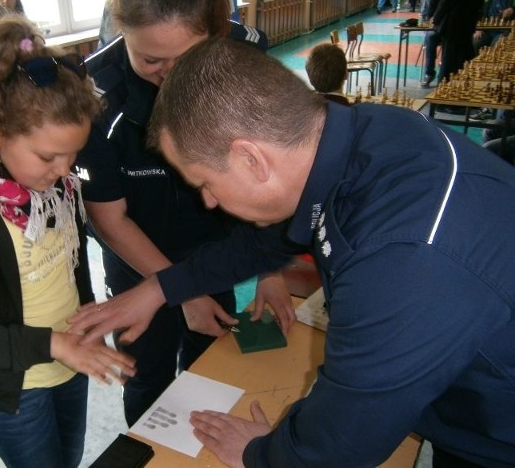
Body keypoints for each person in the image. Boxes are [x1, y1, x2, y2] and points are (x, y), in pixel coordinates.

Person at [71, 37, 515, 467]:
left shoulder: (405, 258)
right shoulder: (364, 133)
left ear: (251, 159)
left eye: (204, 183)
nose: (206, 201)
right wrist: (161, 289)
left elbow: (342, 440)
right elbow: (265, 241)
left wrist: (260, 454)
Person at [0, 15, 136, 468]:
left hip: (68, 365)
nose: (63, 170)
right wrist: (55, 344)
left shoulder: (54, 186)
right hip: (12, 387)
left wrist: (88, 320)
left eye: (73, 155)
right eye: (48, 156)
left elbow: (68, 266)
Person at [72, 0, 292, 427]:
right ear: (123, 34)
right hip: (138, 261)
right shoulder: (97, 97)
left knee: (210, 362)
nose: (170, 73)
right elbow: (109, 219)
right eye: (151, 58)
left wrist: (271, 269)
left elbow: (267, 179)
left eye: (187, 57)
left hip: (215, 252)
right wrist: (182, 291)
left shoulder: (243, 63)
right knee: (145, 374)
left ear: (217, 36)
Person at [428, 0, 484, 84]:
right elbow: (480, 2)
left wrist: (436, 18)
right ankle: (463, 84)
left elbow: (447, 0)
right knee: (463, 57)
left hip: (453, 24)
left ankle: (444, 86)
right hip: (468, 23)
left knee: (448, 60)